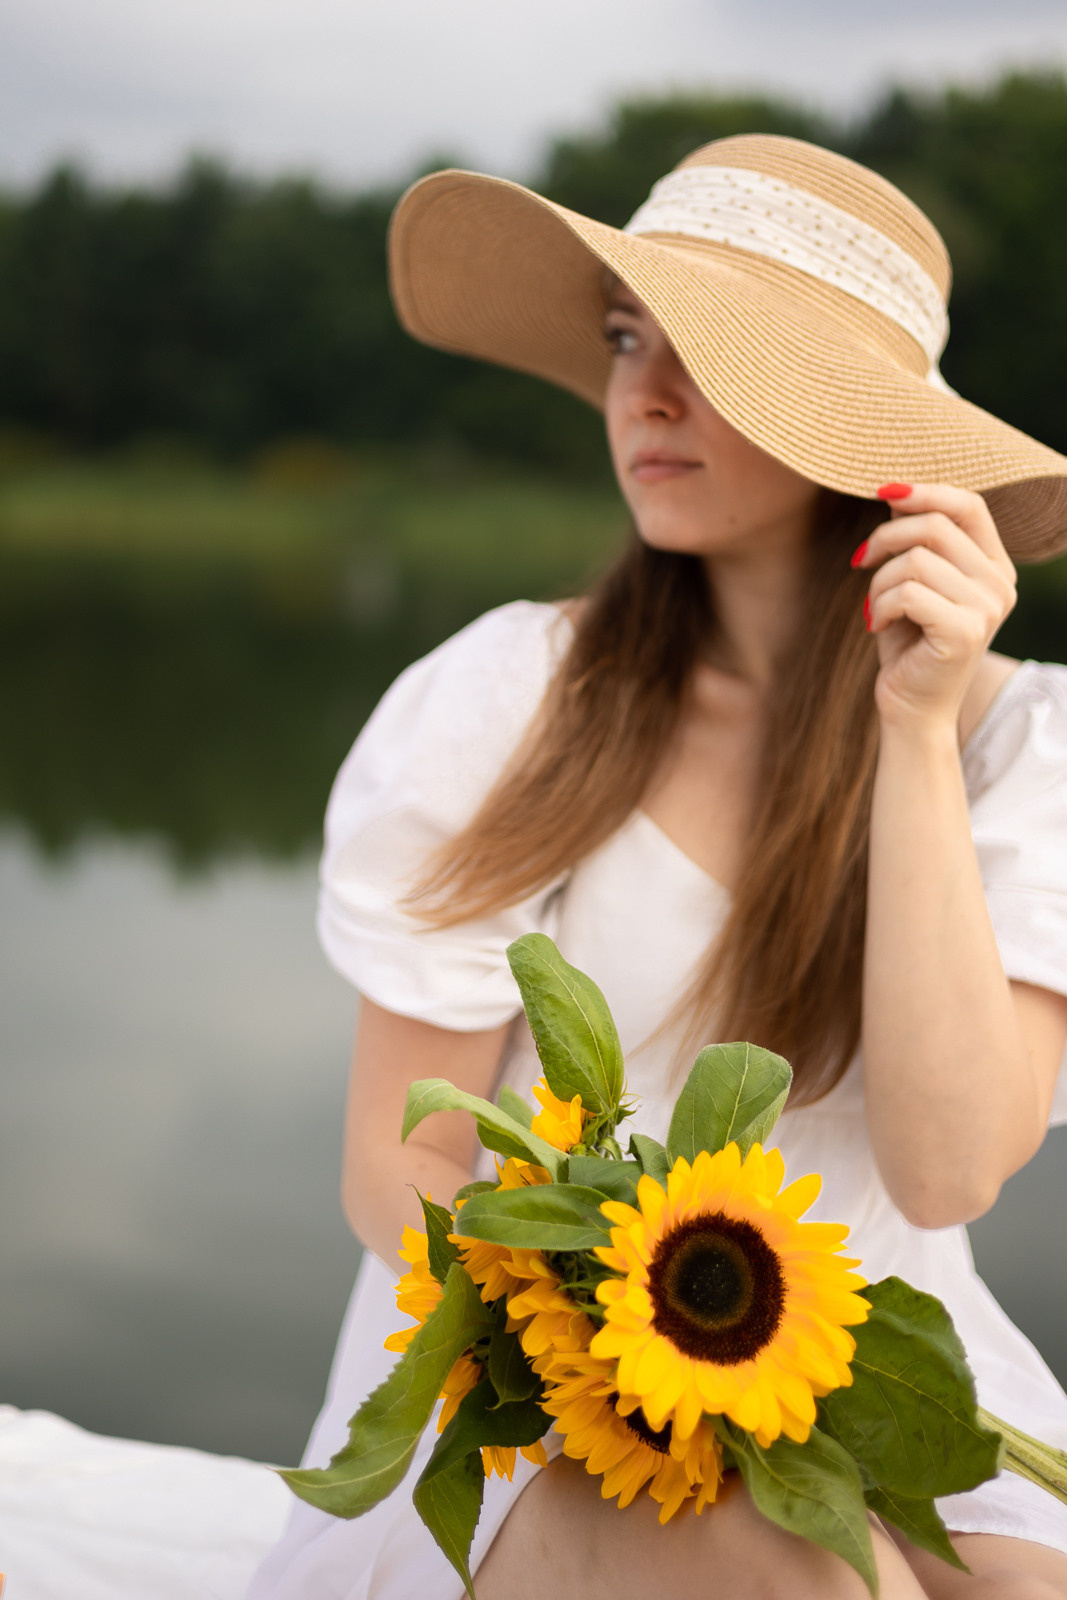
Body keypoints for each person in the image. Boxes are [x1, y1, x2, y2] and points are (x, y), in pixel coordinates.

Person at [248, 134, 1067, 1599]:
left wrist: (919, 734)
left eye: (713, 354)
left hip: (871, 1353)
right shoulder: (511, 697)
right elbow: (402, 1160)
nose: (645, 390)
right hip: (532, 1397)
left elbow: (945, 1173)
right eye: (632, 335)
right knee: (821, 1581)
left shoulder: (1021, 746)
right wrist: (593, 1332)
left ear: (855, 429)